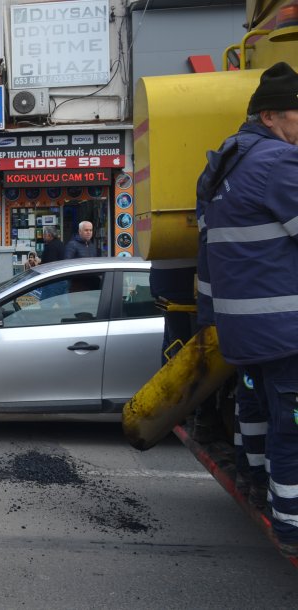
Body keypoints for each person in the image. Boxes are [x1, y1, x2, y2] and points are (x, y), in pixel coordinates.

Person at [197, 62, 298, 555]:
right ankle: (292, 526)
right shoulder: (279, 163)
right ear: (273, 116)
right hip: (285, 330)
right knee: (292, 429)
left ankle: (255, 480)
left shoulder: (226, 163)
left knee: (255, 408)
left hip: (244, 331)